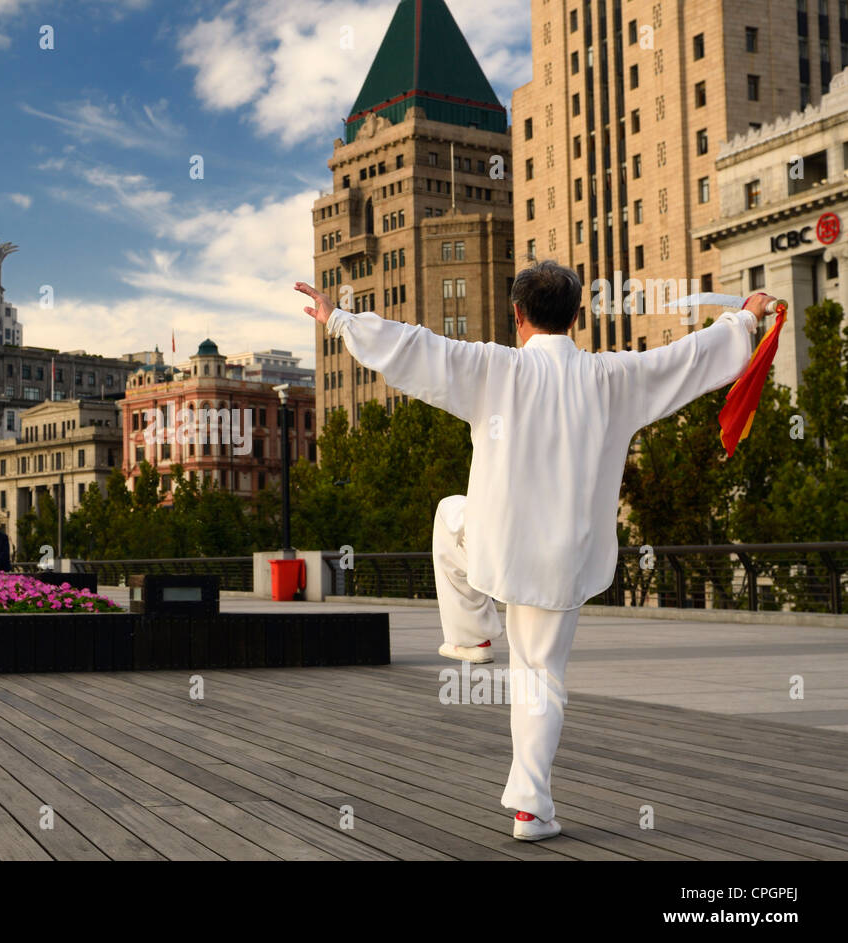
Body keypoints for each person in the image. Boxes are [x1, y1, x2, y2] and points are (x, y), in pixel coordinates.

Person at [295, 264, 772, 842]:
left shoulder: (497, 368)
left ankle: (470, 635)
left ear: (516, 315)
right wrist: (745, 317)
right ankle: (530, 809)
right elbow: (689, 358)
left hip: (498, 544)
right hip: (564, 559)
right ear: (577, 317)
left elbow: (416, 349)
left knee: (450, 516)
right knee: (540, 678)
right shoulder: (613, 376)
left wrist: (338, 318)